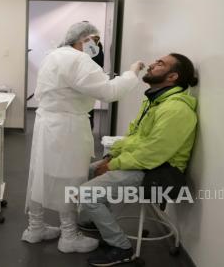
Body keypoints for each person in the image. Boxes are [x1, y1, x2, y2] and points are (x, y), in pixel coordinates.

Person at [22, 21, 145, 253]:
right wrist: (132, 73)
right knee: (69, 178)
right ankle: (69, 236)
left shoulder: (54, 55)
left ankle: (35, 228)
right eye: (95, 40)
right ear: (84, 39)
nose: (97, 45)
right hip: (66, 127)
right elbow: (109, 92)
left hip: (47, 122)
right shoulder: (78, 60)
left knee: (40, 173)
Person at [81, 53, 198, 266]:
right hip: (146, 164)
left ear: (172, 77)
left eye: (160, 63)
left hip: (160, 172)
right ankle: (101, 223)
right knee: (87, 170)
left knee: (87, 194)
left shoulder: (175, 109)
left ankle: (121, 248)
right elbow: (136, 138)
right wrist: (113, 154)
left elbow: (153, 153)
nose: (152, 64)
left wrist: (112, 164)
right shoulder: (155, 101)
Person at [89, 35, 105, 129]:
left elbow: (99, 64)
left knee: (88, 107)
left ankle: (89, 127)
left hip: (91, 81)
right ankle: (90, 127)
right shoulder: (98, 50)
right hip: (92, 81)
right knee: (89, 107)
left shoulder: (95, 50)